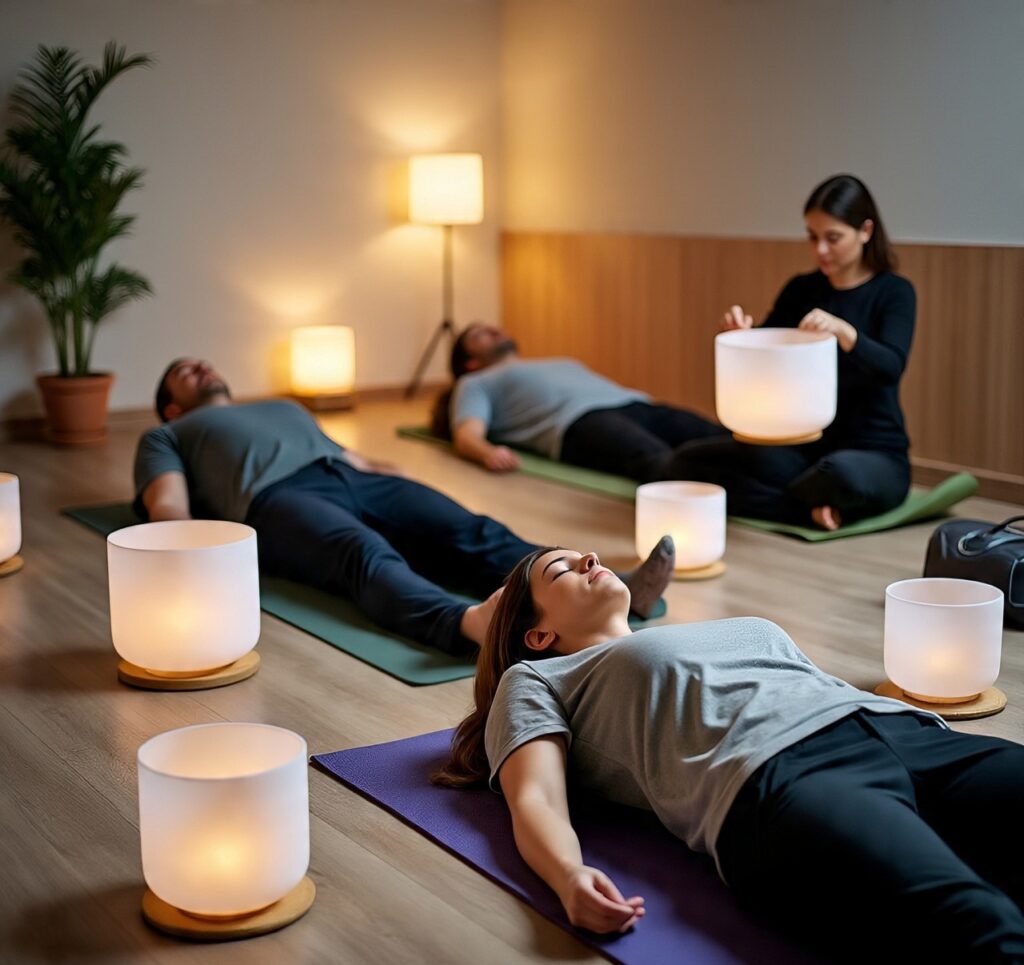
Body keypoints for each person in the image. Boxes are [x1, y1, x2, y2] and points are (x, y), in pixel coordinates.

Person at [435, 547, 1024, 961]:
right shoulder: (540, 676)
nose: (591, 558)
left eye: (586, 554)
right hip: (782, 778)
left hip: (906, 732)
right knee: (986, 925)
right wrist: (566, 877)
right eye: (562, 567)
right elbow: (534, 794)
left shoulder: (697, 632)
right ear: (537, 635)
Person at [134, 359, 676, 655]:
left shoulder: (279, 404)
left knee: (465, 527)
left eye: (203, 363)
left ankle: (616, 590)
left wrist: (410, 485)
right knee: (361, 552)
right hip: (276, 498)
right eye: (185, 371)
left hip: (346, 474)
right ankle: (465, 624)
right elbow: (170, 510)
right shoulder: (167, 433)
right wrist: (196, 575)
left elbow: (354, 456)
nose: (202, 366)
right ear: (172, 405)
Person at [691, 173, 916, 530]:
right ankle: (805, 510)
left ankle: (789, 500)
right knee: (690, 463)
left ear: (866, 231)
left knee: (840, 474)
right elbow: (768, 350)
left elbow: (891, 366)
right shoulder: (801, 288)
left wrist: (845, 331)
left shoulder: (894, 292)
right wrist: (745, 338)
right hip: (802, 450)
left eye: (833, 238)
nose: (820, 250)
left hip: (872, 454)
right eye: (813, 237)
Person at [433, 324, 726, 479]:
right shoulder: (474, 383)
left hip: (634, 403)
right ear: (469, 362)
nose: (494, 329)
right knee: (663, 463)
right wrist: (488, 453)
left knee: (721, 437)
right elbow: (466, 434)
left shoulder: (548, 362)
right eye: (479, 334)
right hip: (577, 422)